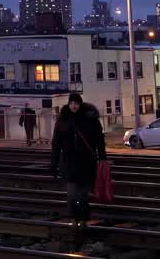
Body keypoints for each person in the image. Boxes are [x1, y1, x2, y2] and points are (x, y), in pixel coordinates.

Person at [50, 92, 106, 225]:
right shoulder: (62, 121)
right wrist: (54, 164)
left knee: (84, 195)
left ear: (80, 104)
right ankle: (73, 219)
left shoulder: (90, 120)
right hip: (69, 163)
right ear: (68, 104)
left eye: (76, 103)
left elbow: (99, 140)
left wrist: (102, 157)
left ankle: (83, 220)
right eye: (71, 103)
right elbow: (56, 144)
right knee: (71, 194)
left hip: (86, 163)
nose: (74, 106)